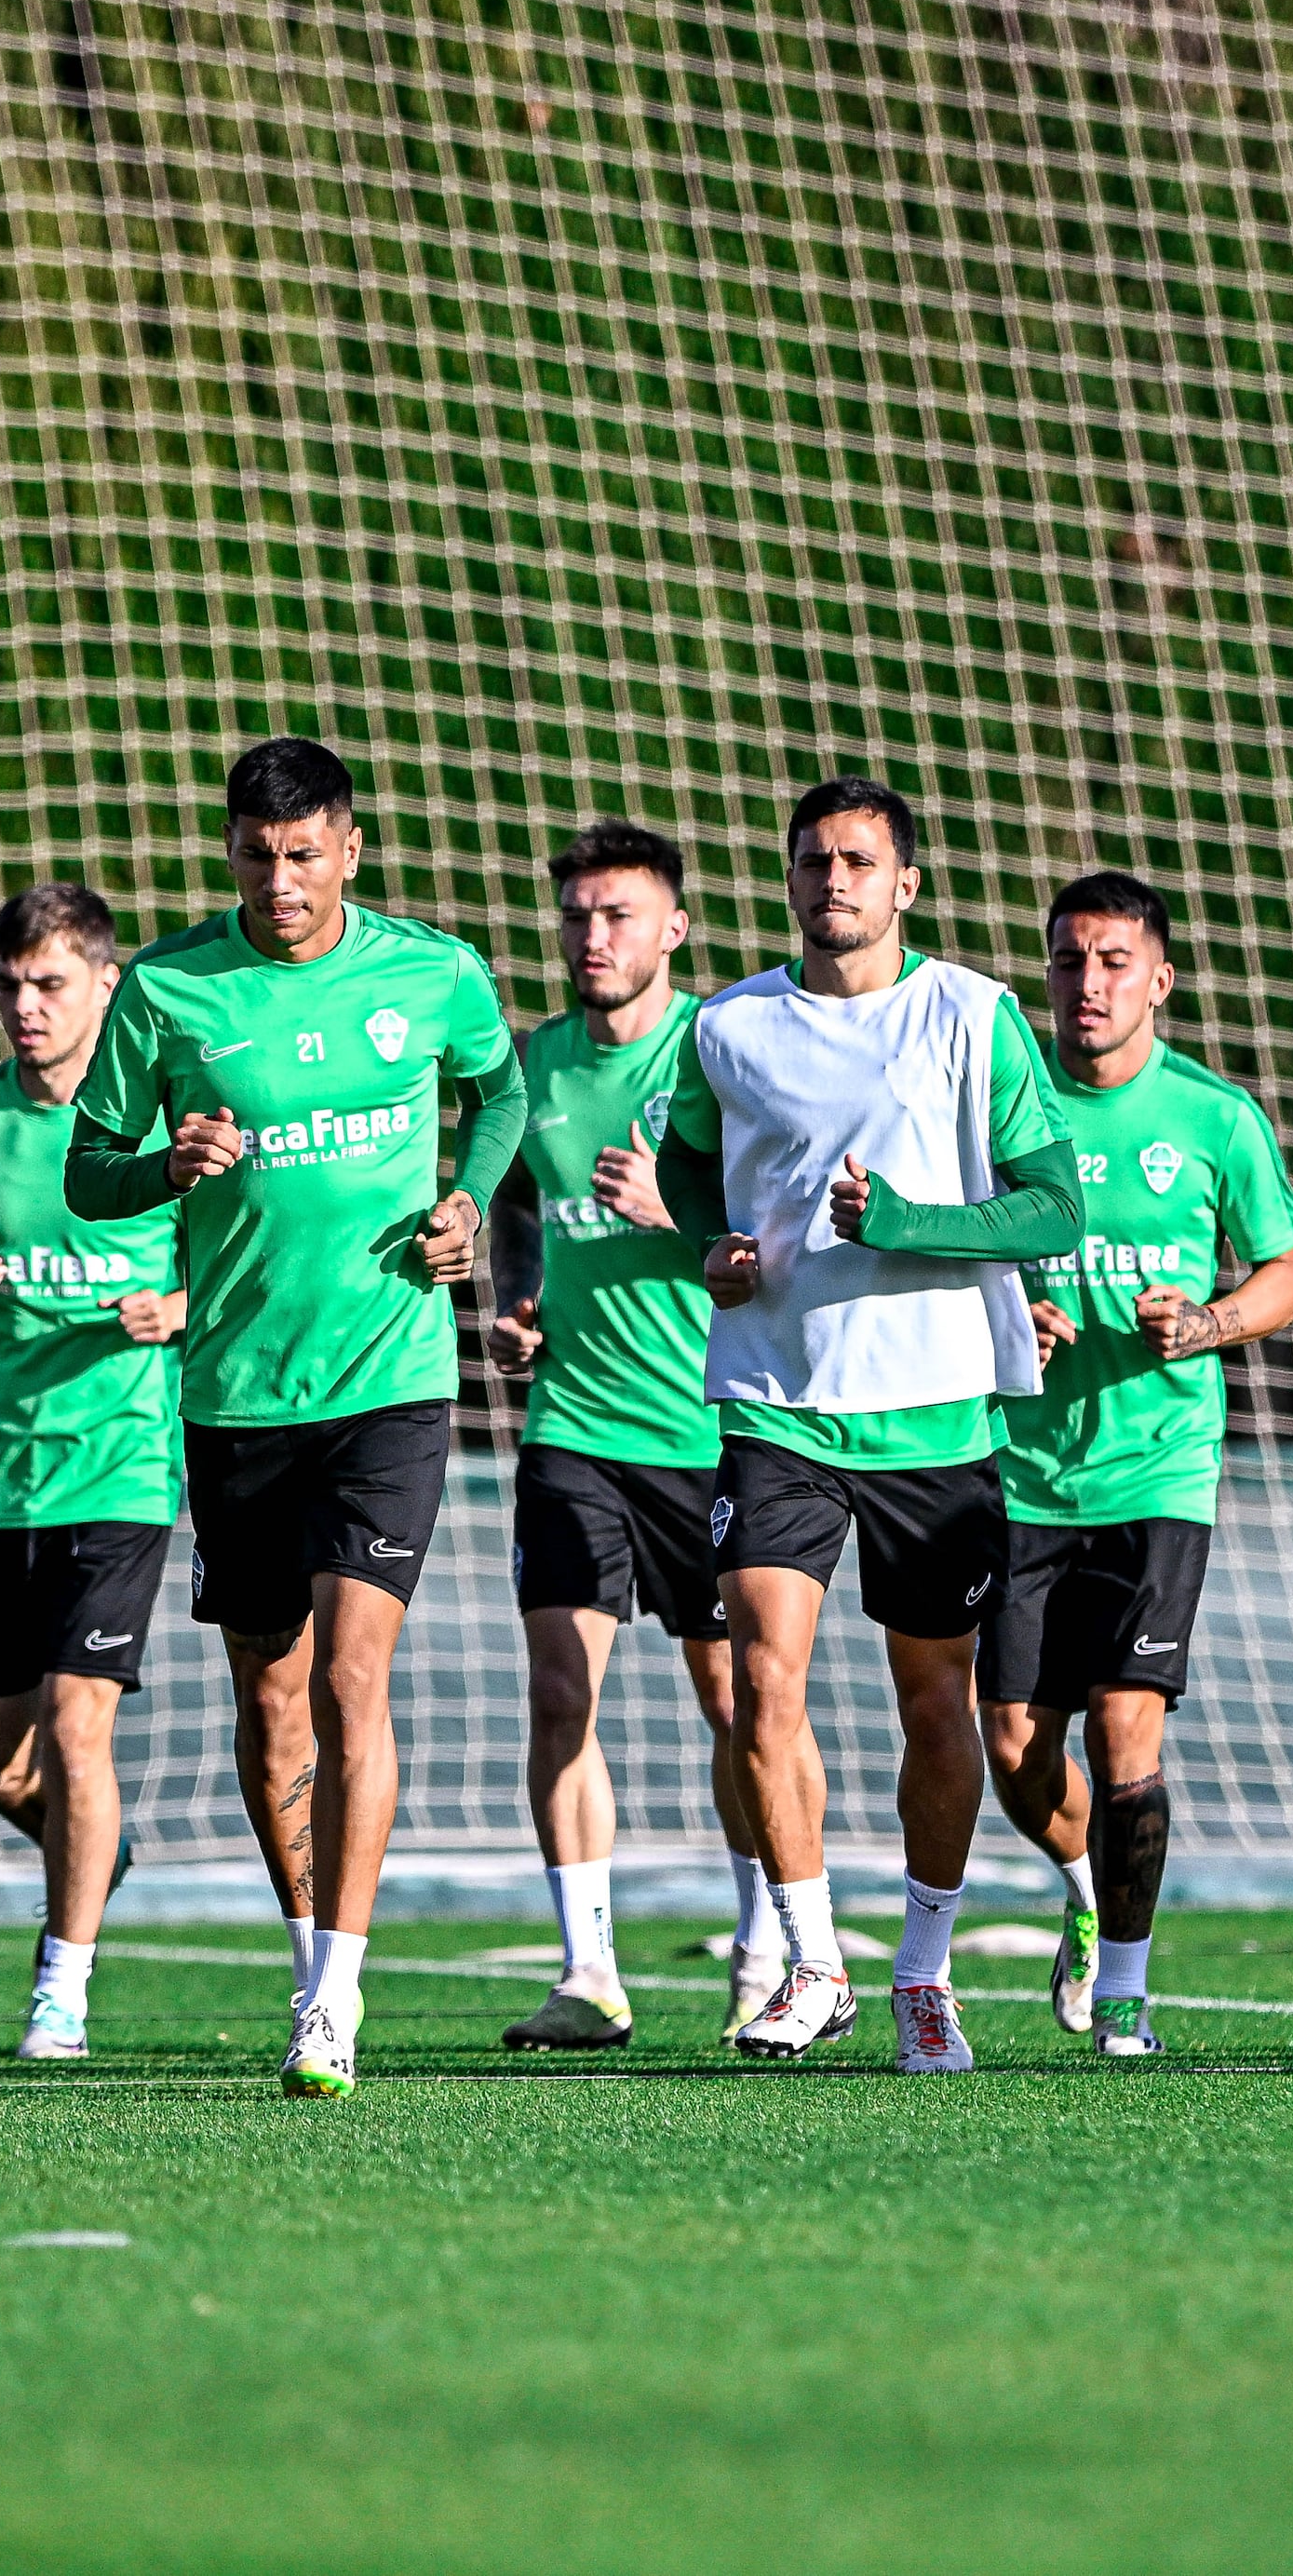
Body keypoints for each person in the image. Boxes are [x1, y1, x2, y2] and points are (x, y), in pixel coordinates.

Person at [66, 738, 522, 2100]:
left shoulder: (432, 971)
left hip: (390, 1380)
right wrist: (166, 1164)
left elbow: (496, 1092)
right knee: (270, 1704)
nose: (282, 881)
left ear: (351, 849)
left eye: (305, 854)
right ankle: (303, 1944)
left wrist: (469, 1200)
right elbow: (92, 1171)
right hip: (239, 1394)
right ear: (231, 853)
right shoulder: (163, 988)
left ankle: (335, 1994)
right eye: (259, 856)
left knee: (350, 1678)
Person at [659, 776, 1078, 2072]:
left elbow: (1054, 1206)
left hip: (935, 1411)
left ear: (905, 883)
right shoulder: (728, 1025)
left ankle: (923, 1972)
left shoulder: (974, 1015)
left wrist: (911, 1221)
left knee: (935, 1708)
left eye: (857, 861)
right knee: (760, 1683)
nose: (831, 879)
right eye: (811, 860)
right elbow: (683, 1161)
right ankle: (814, 1958)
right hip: (777, 1403)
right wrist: (707, 1244)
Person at [982, 874, 1293, 2061]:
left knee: (1128, 1726)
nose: (1089, 983)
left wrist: (1212, 1322)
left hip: (1158, 1470)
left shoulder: (1214, 1118)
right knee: (1017, 1753)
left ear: (1158, 979)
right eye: (1070, 960)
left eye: (1114, 961)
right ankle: (1084, 1888)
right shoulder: (1001, 1107)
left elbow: (1289, 1273)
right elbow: (943, 1248)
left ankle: (1124, 1995)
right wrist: (1008, 1307)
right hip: (1018, 1472)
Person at [0, 883, 185, 2062]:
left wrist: (181, 1305)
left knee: (75, 1727)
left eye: (48, 982)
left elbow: (240, 1258)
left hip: (120, 1470)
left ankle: (61, 1988)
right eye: (9, 983)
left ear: (104, 985)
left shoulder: (162, 1129)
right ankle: (91, 1854)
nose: (24, 1003)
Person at [485, 819, 742, 2050]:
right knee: (560, 1692)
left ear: (674, 928)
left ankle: (772, 1948)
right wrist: (516, 1299)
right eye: (579, 915)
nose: (596, 936)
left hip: (712, 1428)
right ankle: (589, 1972)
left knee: (741, 1703)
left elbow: (779, 1224)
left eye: (621, 914)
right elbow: (520, 1200)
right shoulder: (531, 1062)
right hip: (573, 1426)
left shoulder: (721, 1050)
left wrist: (677, 1211)